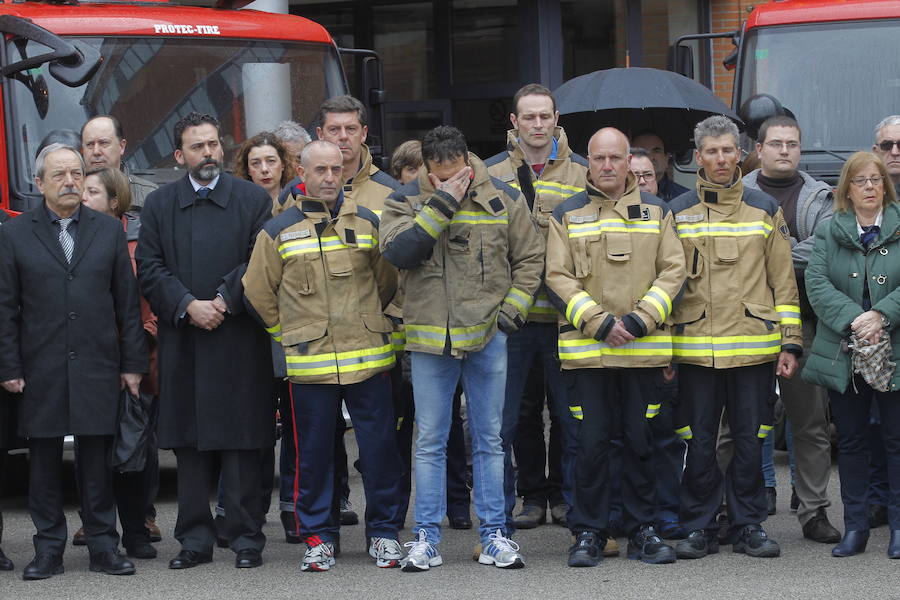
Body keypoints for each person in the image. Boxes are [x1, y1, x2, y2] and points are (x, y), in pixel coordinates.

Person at [380, 125, 543, 571]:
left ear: (468, 159)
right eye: (441, 176)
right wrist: (442, 203)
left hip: (489, 335)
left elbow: (530, 258)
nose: (453, 181)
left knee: (490, 439)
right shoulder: (402, 200)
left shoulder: (503, 197)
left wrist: (511, 313)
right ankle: (426, 539)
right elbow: (399, 253)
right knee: (430, 441)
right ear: (426, 169)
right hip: (431, 340)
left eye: (459, 174)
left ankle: (494, 535)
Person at [243, 140, 405, 572]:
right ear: (302, 170)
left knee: (380, 454)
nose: (330, 178)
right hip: (310, 368)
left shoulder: (369, 222)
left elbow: (386, 281)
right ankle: (319, 537)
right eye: (321, 170)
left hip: (369, 362)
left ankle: (385, 534)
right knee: (313, 457)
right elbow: (257, 291)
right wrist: (288, 336)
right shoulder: (277, 230)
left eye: (337, 170)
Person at [0, 144, 148, 580]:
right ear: (39, 182)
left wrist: (132, 364)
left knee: (97, 463)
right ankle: (48, 549)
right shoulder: (14, 234)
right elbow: (5, 307)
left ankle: (104, 546)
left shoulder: (107, 231)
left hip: (98, 365)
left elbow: (127, 304)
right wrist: (9, 366)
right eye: (59, 174)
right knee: (43, 464)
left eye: (76, 174)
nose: (69, 181)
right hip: (40, 366)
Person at [136, 112, 275, 570]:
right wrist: (187, 305)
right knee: (190, 446)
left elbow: (260, 260)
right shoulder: (159, 205)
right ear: (180, 156)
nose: (208, 153)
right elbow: (151, 268)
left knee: (241, 443)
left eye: (214, 144)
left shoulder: (252, 199)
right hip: (185, 341)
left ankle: (245, 539)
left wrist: (220, 300)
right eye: (197, 147)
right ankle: (194, 540)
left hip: (236, 339)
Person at [545, 128, 685, 567]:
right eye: (599, 158)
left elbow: (673, 272)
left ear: (630, 163)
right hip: (589, 356)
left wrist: (640, 320)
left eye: (615, 158)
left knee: (641, 444)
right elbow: (556, 276)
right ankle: (588, 531)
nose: (607, 166)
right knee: (590, 446)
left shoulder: (658, 211)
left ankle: (643, 530)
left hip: (642, 355)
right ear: (588, 161)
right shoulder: (566, 214)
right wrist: (600, 323)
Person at [668, 115, 801, 560]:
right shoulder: (678, 211)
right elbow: (664, 284)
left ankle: (748, 525)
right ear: (698, 156)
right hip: (694, 352)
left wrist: (790, 342)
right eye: (712, 151)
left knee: (751, 439)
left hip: (753, 352)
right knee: (698, 441)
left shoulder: (764, 208)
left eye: (728, 150)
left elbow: (783, 283)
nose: (721, 159)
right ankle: (699, 526)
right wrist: (665, 347)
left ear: (740, 153)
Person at [484, 83, 587, 532]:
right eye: (529, 117)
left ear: (557, 119)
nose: (538, 125)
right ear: (514, 122)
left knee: (570, 415)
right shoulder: (489, 173)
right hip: (513, 318)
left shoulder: (583, 173)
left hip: (568, 316)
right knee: (514, 417)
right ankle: (529, 498)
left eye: (545, 116)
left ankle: (567, 499)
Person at [740, 115, 840, 543]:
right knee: (742, 423)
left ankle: (814, 510)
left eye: (792, 144)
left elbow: (824, 249)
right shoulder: (737, 193)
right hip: (745, 324)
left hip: (806, 322)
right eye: (776, 143)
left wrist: (764, 255)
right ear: (758, 149)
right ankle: (741, 509)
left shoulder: (822, 196)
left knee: (810, 423)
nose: (785, 151)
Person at [803, 151, 900, 559]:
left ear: (886, 186)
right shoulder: (829, 230)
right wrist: (856, 318)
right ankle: (856, 527)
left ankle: (898, 528)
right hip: (845, 351)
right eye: (860, 181)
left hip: (893, 350)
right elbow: (816, 282)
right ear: (847, 188)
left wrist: (882, 314)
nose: (869, 188)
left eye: (876, 180)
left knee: (896, 441)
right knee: (854, 442)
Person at [80, 116, 161, 544]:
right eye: (87, 143)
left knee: (137, 441)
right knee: (93, 441)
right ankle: (94, 518)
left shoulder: (140, 234)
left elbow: (155, 291)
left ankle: (140, 518)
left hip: (138, 355)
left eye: (103, 142)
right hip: (92, 358)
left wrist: (144, 333)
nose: (95, 149)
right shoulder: (71, 237)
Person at [630, 145, 687, 539]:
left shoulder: (672, 215)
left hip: (663, 342)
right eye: (633, 176)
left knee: (666, 435)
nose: (639, 183)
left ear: (658, 177)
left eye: (646, 175)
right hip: (615, 343)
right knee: (627, 436)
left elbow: (679, 279)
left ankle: (667, 512)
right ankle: (631, 514)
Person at [868, 115, 900, 528]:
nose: (895, 153)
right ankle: (879, 501)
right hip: (871, 334)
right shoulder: (866, 200)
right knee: (876, 425)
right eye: (887, 145)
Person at [81, 115, 158, 213]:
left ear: (121, 146)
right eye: (90, 144)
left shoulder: (149, 194)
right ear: (82, 150)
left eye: (103, 143)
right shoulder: (71, 192)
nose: (96, 151)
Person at [233, 132, 292, 203]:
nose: (264, 169)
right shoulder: (238, 207)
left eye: (271, 161)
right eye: (256, 163)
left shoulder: (298, 203)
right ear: (248, 169)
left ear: (283, 164)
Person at [631, 132, 688, 202]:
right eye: (641, 152)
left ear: (666, 158)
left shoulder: (685, 198)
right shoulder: (617, 197)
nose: (650, 157)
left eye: (656, 151)